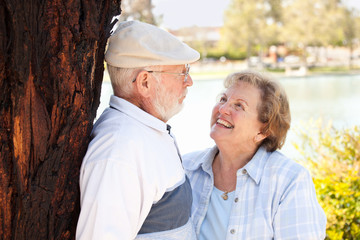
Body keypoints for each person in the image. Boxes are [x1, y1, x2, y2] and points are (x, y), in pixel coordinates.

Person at [76, 20, 200, 239]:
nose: (189, 81)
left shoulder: (144, 131)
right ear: (145, 82)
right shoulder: (119, 151)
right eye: (182, 72)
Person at [183, 71, 327, 240]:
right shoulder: (184, 168)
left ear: (264, 130)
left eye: (239, 106)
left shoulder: (289, 180)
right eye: (223, 99)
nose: (222, 109)